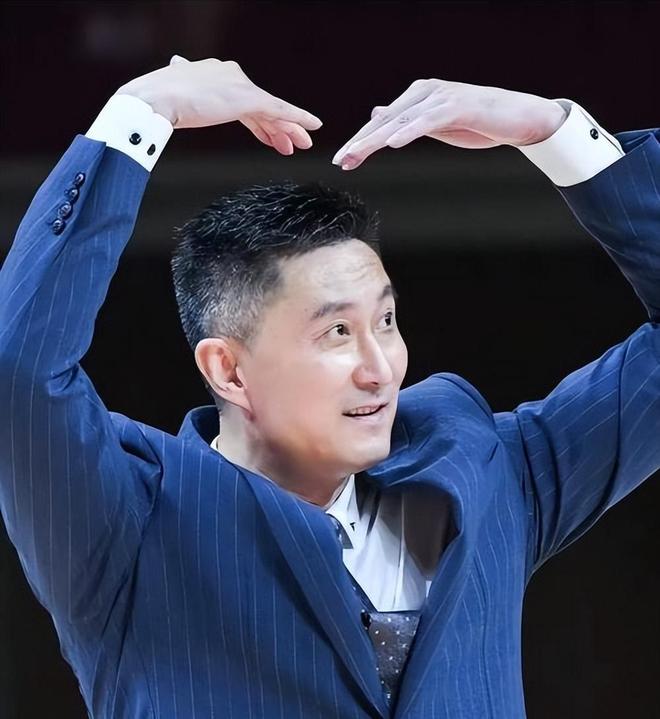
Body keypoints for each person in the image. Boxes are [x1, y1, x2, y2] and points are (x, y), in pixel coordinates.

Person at [0, 55, 658, 719]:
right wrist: (142, 111)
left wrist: (554, 131)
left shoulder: (484, 468)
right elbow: (19, 369)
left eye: (386, 321)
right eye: (337, 332)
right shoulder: (126, 521)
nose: (381, 367)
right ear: (228, 370)